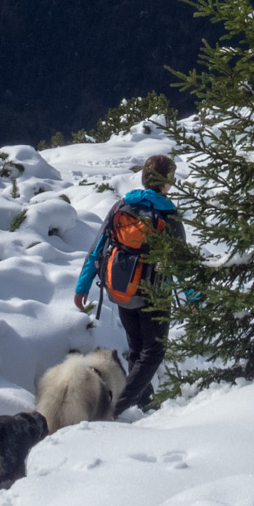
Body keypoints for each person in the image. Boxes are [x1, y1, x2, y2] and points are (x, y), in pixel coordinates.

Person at [74, 153, 183, 416]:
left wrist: (82, 285)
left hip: (121, 289)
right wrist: (196, 299)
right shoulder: (168, 214)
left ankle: (146, 404)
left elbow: (98, 246)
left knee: (137, 349)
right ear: (166, 182)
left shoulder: (123, 206)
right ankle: (115, 407)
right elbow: (182, 261)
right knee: (153, 352)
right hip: (153, 295)